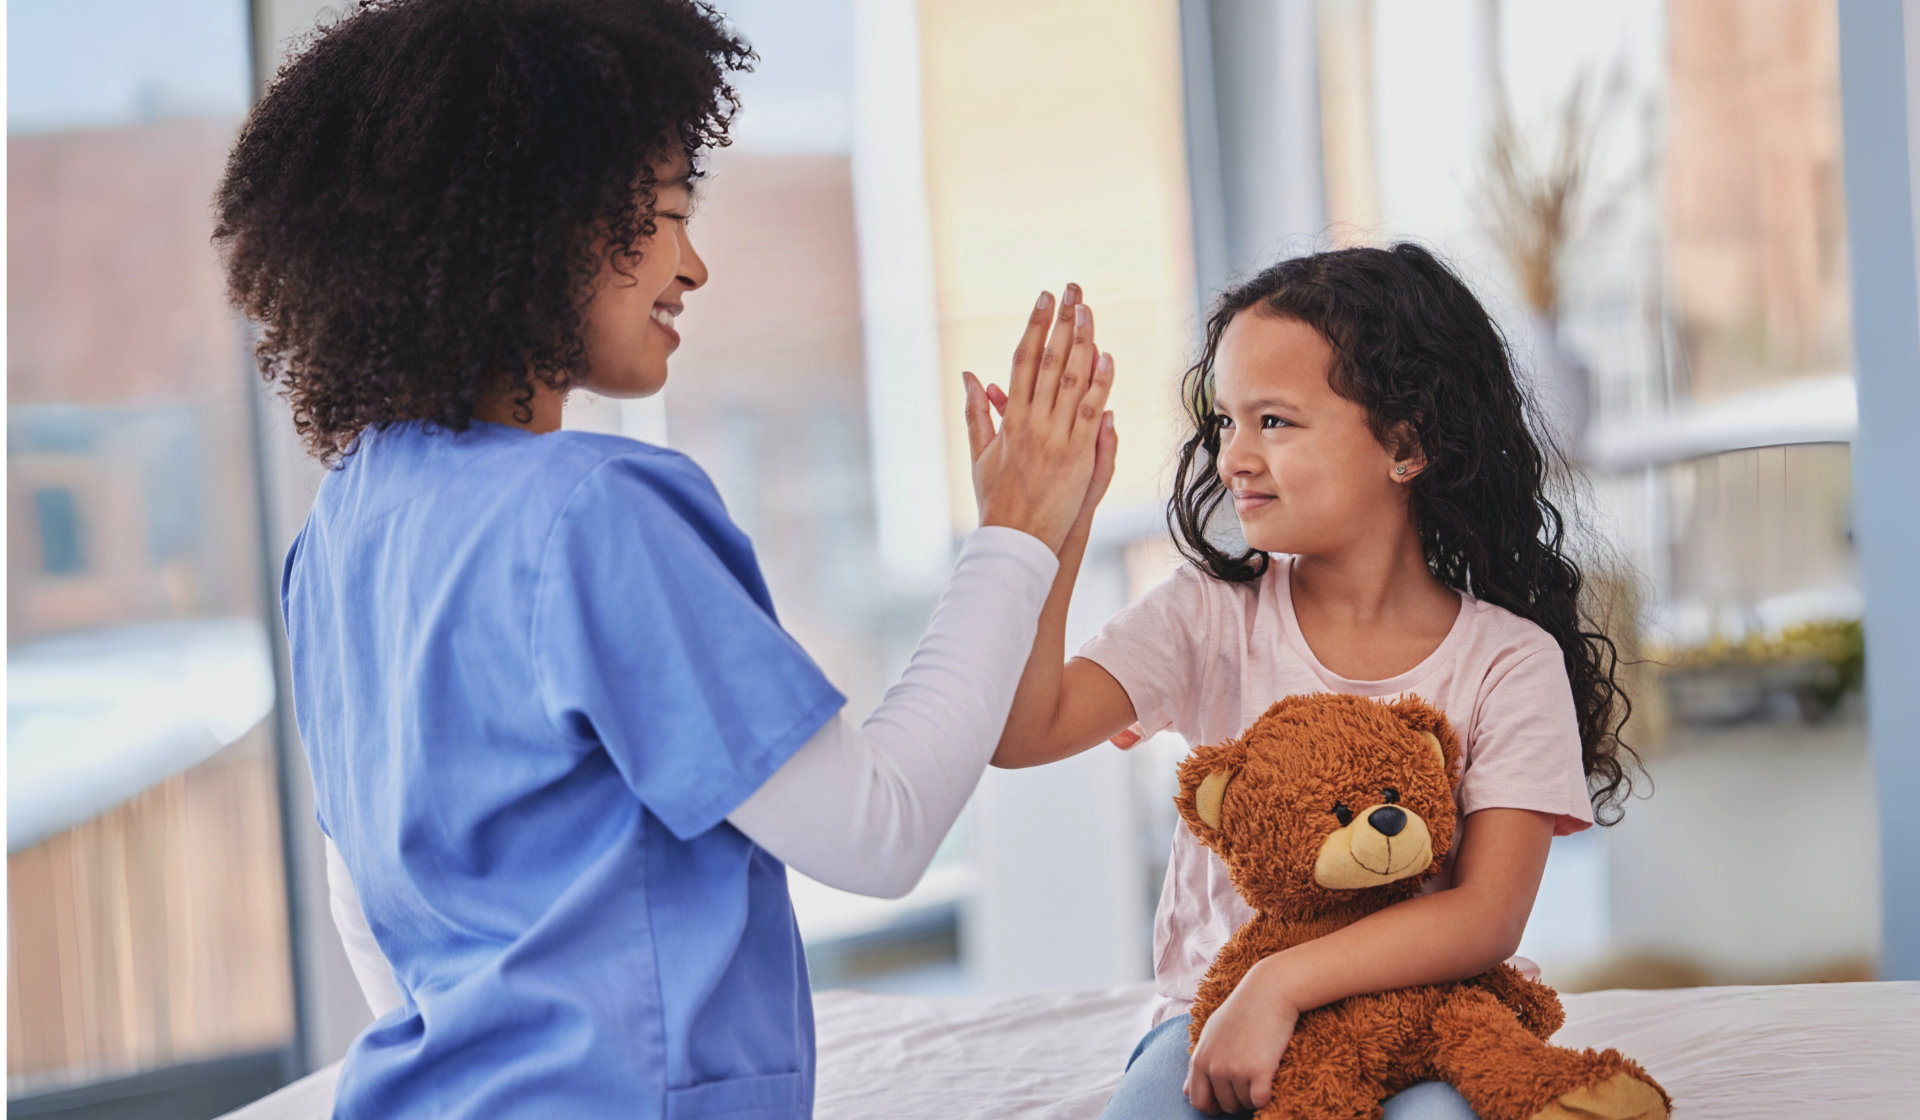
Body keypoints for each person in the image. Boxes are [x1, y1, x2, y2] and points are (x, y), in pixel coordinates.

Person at [213, 1, 1118, 1116]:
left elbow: (372, 910)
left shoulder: (340, 533)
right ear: (535, 223)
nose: (692, 265)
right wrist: (1017, 534)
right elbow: (878, 832)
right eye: (662, 214)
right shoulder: (595, 515)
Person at [987, 244, 1640, 1120]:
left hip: (1429, 1022)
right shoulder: (1207, 615)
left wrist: (1281, 983)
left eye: (1275, 422)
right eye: (1225, 422)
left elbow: (1486, 916)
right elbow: (1021, 733)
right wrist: (1049, 531)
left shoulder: (1510, 662)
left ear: (1405, 444)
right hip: (1211, 1024)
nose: (1233, 459)